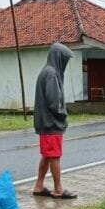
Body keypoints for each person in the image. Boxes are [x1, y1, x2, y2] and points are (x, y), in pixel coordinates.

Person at [32, 42, 77, 199]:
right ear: (58, 58)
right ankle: (58, 189)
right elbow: (53, 102)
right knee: (55, 156)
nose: (65, 63)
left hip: (46, 123)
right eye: (65, 59)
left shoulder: (47, 71)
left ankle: (39, 185)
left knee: (47, 155)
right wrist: (63, 115)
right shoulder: (51, 74)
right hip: (51, 123)